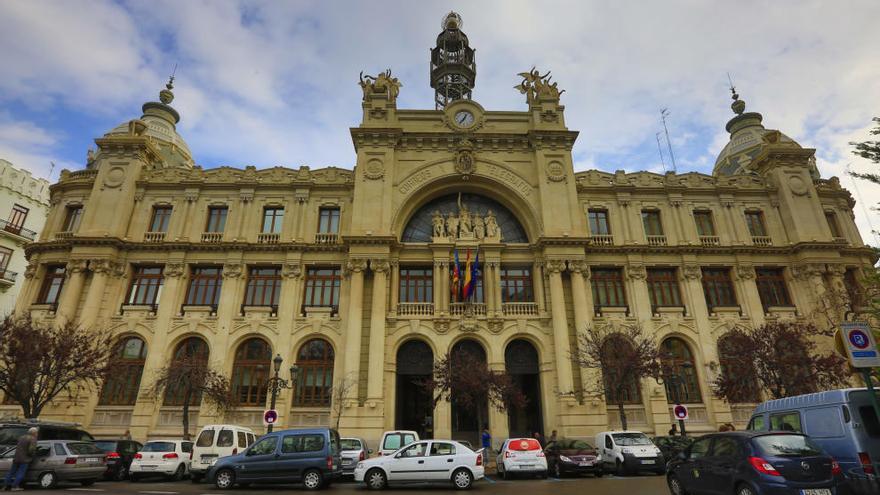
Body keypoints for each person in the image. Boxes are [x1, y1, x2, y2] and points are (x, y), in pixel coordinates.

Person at [3, 427, 37, 491]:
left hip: (16, 458)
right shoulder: (32, 439)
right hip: (25, 459)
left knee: (11, 472)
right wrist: (32, 456)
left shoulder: (22, 437)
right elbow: (31, 450)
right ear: (34, 433)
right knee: (20, 473)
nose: (37, 434)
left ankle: (5, 486)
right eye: (36, 433)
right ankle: (14, 486)